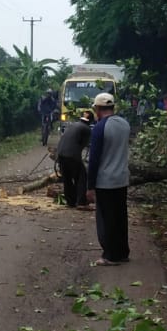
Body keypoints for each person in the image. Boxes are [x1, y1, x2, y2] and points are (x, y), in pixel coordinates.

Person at [85, 92, 130, 265]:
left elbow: (94, 159)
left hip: (105, 181)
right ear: (113, 107)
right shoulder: (125, 124)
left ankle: (110, 255)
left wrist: (90, 186)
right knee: (120, 216)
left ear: (97, 109)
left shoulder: (99, 128)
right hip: (122, 178)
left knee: (106, 219)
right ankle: (123, 251)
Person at [55, 109, 93, 207]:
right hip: (72, 155)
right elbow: (83, 145)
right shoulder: (86, 129)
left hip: (60, 153)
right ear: (90, 121)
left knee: (67, 178)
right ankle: (81, 202)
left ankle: (70, 201)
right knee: (81, 176)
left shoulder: (72, 125)